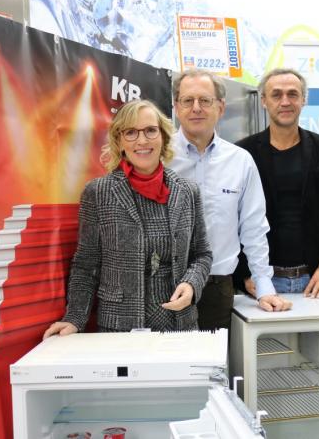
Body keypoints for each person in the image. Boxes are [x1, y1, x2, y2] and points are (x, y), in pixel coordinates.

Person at [44, 99, 212, 338]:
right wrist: (75, 318)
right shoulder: (98, 193)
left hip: (179, 325)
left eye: (150, 131)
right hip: (119, 326)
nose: (142, 141)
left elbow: (202, 254)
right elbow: (86, 265)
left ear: (163, 136)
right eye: (131, 133)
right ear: (119, 141)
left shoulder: (187, 191)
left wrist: (192, 285)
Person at [169, 69, 293, 329]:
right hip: (164, 285)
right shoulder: (159, 158)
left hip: (216, 289)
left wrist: (264, 288)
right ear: (176, 107)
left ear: (221, 107)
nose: (196, 108)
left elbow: (254, 228)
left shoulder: (240, 161)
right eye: (187, 101)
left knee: (212, 368)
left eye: (205, 100)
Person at [235, 68, 319, 298]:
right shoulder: (243, 152)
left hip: (314, 281)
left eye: (293, 94)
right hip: (260, 281)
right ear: (264, 101)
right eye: (276, 95)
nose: (285, 101)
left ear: (304, 100)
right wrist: (245, 274)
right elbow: (231, 216)